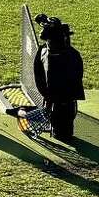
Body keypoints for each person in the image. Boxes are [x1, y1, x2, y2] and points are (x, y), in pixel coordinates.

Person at [34, 14, 85, 143]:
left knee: (63, 133)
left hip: (65, 101)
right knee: (61, 131)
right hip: (60, 100)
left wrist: (49, 97)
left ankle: (60, 127)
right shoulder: (70, 54)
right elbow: (41, 79)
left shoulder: (67, 56)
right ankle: (58, 126)